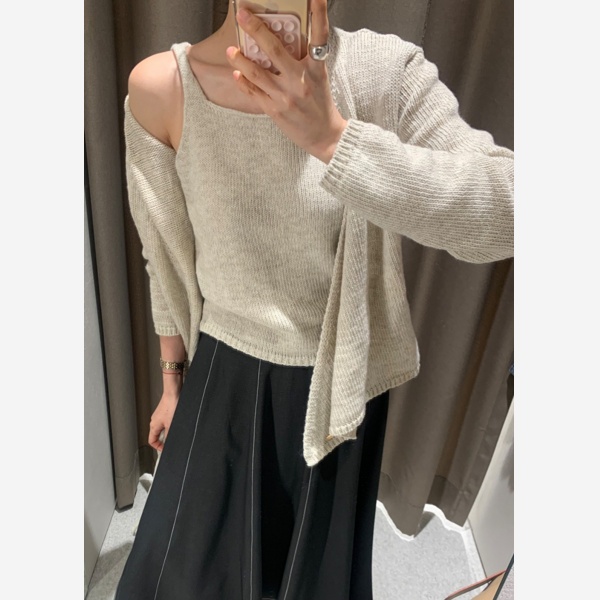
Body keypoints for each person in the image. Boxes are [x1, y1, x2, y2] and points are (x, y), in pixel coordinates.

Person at [115, 0, 514, 598]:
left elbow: (508, 209)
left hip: (338, 384)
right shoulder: (164, 88)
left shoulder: (384, 73)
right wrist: (173, 384)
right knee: (186, 575)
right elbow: (163, 253)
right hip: (223, 378)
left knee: (312, 581)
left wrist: (334, 138)